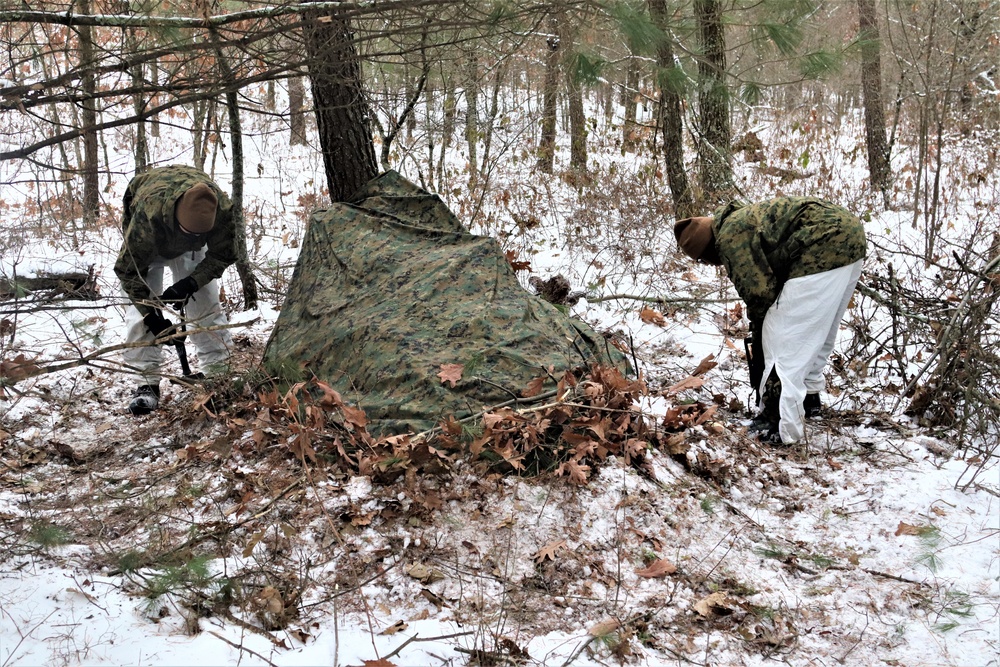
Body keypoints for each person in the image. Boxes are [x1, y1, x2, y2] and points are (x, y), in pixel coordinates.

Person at [674, 196, 867, 444]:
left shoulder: (729, 238)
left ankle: (777, 421)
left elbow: (760, 295)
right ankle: (809, 399)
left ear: (708, 249)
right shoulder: (740, 218)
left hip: (822, 242)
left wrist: (760, 339)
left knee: (783, 338)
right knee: (818, 332)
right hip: (850, 235)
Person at [115, 165, 236, 415]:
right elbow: (128, 270)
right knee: (140, 313)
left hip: (185, 233)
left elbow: (224, 253)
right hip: (152, 240)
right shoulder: (147, 215)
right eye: (189, 233)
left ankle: (217, 372)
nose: (193, 238)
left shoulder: (221, 209)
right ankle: (146, 383)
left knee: (206, 303)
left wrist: (191, 282)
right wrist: (151, 315)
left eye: (199, 235)